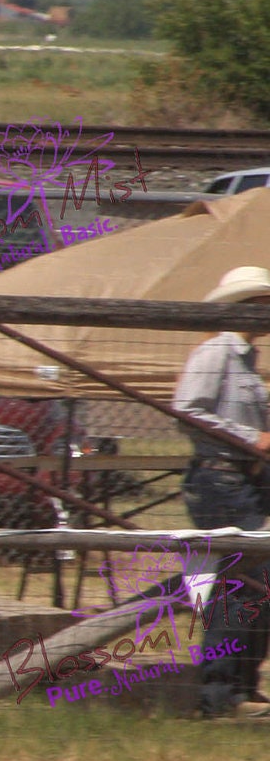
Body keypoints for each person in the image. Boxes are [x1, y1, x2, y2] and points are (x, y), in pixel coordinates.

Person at [175, 266, 270, 720]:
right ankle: (222, 693)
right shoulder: (216, 352)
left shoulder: (245, 362)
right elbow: (187, 410)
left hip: (239, 478)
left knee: (254, 578)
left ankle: (238, 687)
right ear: (243, 308)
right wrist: (248, 440)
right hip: (221, 477)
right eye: (261, 304)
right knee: (242, 579)